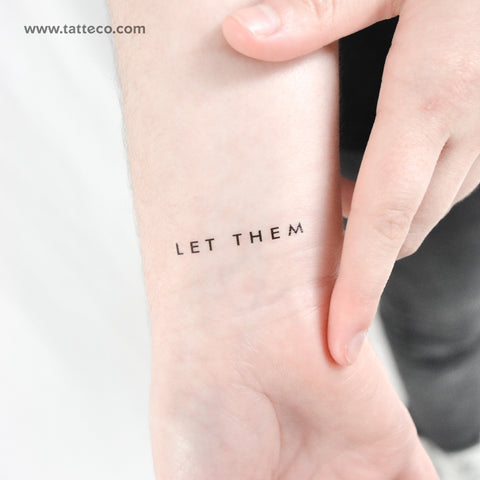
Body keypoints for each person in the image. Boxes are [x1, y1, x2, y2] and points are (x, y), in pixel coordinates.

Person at [108, 0, 441, 478]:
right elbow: (237, 26)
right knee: (433, 329)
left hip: (449, 98)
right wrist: (245, 321)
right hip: (319, 126)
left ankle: (454, 436)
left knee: (443, 325)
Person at [221, 0, 480, 476]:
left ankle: (458, 442)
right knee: (433, 334)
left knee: (439, 334)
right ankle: (458, 442)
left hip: (439, 87)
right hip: (312, 111)